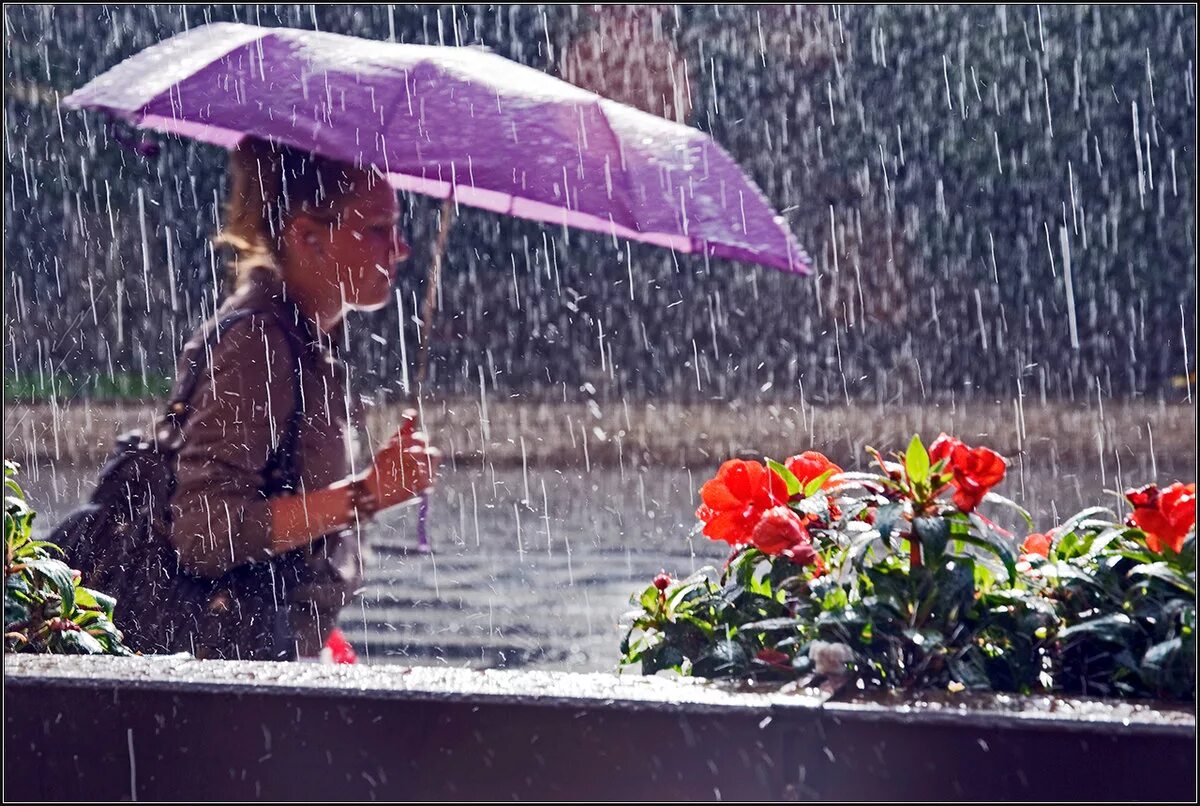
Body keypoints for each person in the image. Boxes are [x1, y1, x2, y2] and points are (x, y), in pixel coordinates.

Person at [165, 137, 438, 661]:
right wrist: (368, 494)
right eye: (378, 229)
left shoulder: (310, 340)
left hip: (271, 663)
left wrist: (318, 636)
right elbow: (203, 531)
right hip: (230, 679)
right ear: (308, 237)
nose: (400, 248)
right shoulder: (261, 344)